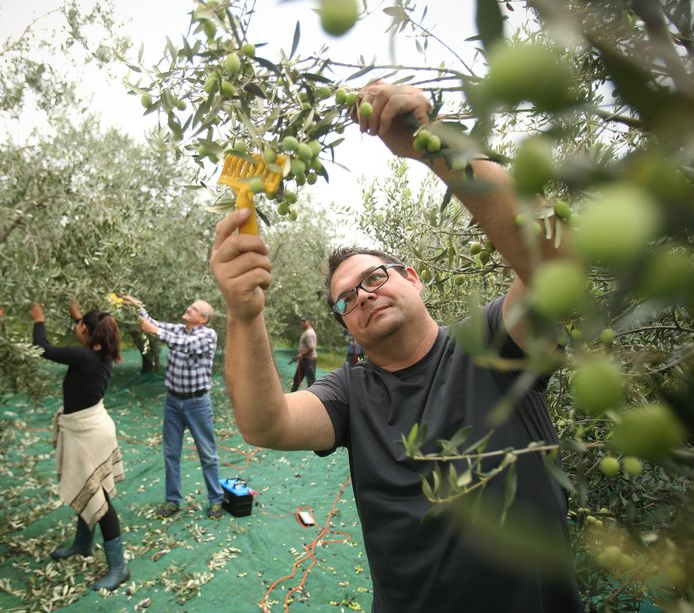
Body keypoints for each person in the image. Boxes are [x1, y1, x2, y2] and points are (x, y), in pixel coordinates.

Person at [209, 81, 582, 612]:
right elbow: (266, 424)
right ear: (346, 326)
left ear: (413, 277)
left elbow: (557, 267)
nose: (361, 296)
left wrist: (436, 144)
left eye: (373, 277)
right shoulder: (350, 395)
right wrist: (244, 314)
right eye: (344, 301)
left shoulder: (493, 345)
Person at [30, 299, 129, 592]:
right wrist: (77, 314)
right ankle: (82, 544)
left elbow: (43, 348)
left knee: (101, 501)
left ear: (86, 331)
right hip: (91, 428)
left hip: (90, 434)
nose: (76, 327)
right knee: (88, 489)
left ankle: (118, 567)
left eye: (79, 325)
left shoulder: (83, 356)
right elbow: (90, 328)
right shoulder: (100, 352)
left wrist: (38, 319)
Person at [121, 295, 224, 520]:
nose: (188, 308)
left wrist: (155, 331)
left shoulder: (207, 335)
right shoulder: (179, 330)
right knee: (171, 453)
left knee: (207, 453)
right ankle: (172, 501)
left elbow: (184, 345)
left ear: (203, 319)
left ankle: (216, 500)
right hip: (173, 402)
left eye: (194, 309)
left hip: (197, 403)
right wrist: (139, 307)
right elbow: (154, 323)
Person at [290, 315, 317, 391]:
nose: (302, 323)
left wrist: (302, 354)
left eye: (304, 321)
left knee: (311, 382)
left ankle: (313, 399)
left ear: (309, 322)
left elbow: (311, 348)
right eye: (302, 321)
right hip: (304, 360)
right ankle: (292, 395)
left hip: (309, 361)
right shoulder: (307, 332)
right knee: (296, 379)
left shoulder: (309, 333)